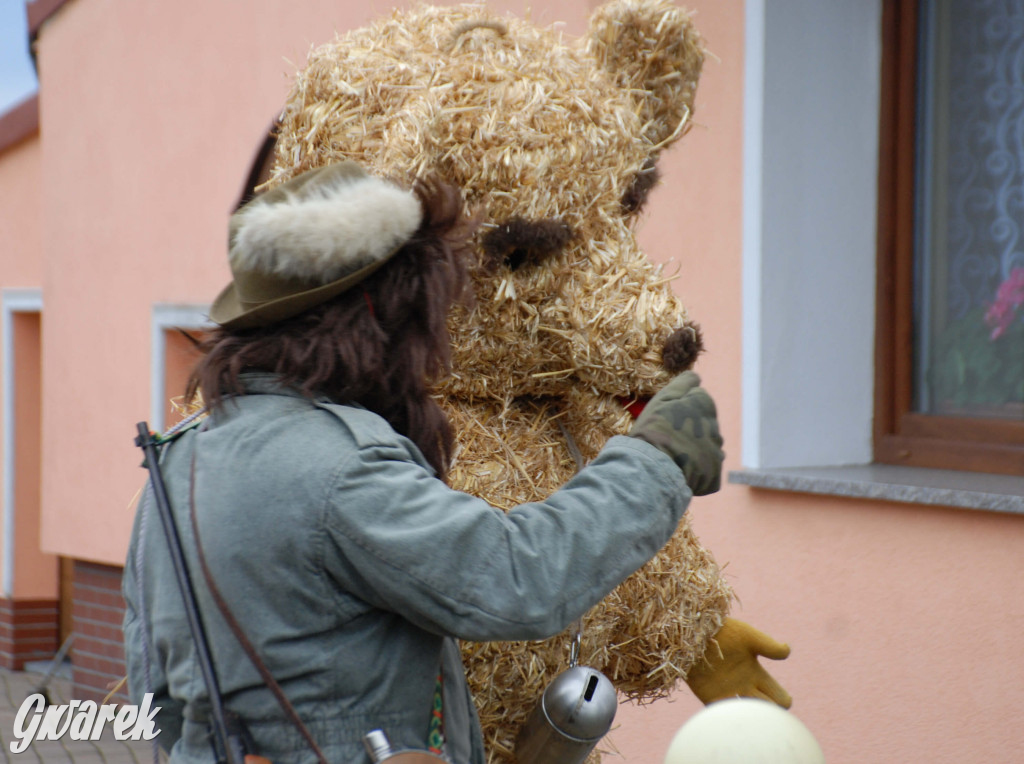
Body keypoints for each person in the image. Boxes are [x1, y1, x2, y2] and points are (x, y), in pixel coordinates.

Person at [122, 161, 726, 764]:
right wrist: (656, 459)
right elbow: (515, 578)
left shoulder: (176, 462)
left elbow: (157, 695)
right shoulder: (340, 467)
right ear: (378, 316)